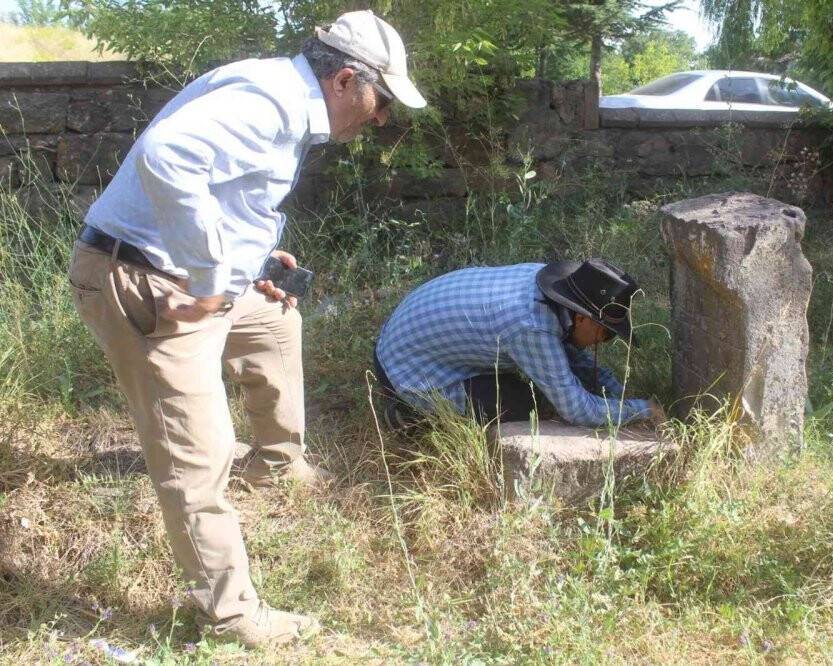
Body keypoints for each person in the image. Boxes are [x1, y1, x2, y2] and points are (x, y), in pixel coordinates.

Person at [66, 11, 426, 648]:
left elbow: (221, 187)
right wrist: (210, 277)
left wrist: (249, 264)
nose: (380, 119)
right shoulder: (269, 104)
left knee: (273, 325)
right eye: (381, 102)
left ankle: (276, 464)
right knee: (196, 457)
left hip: (183, 276)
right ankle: (230, 615)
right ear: (346, 80)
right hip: (146, 284)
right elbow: (167, 157)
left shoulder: (280, 97)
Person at [373, 259, 666, 428]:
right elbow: (576, 410)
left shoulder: (555, 285)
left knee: (552, 378)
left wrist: (617, 392)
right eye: (607, 333)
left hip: (402, 336)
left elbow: (572, 355)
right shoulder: (530, 326)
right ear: (583, 318)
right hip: (407, 371)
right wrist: (643, 410)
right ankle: (410, 414)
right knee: (529, 404)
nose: (605, 341)